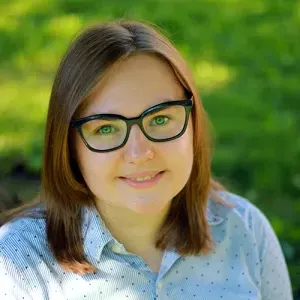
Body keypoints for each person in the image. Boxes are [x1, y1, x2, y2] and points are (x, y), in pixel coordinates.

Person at [0, 20, 293, 300]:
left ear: (193, 125)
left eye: (161, 118)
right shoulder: (15, 263)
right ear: (69, 145)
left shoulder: (245, 230)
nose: (140, 153)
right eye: (106, 128)